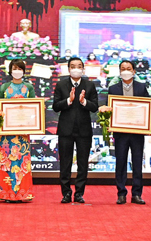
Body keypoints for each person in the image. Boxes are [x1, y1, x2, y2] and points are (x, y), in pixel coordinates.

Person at [53, 57, 99, 204]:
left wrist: (83, 102)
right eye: (73, 66)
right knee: (65, 163)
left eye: (79, 66)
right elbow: (55, 106)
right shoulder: (61, 84)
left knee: (83, 164)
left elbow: (95, 107)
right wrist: (69, 100)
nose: (76, 69)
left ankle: (79, 193)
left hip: (84, 130)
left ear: (83, 69)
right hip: (65, 130)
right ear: (68, 69)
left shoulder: (89, 85)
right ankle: (66, 193)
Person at [0, 59, 35, 202]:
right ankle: (5, 193)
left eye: (20, 69)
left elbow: (34, 108)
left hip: (22, 133)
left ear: (24, 71)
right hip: (6, 134)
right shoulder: (4, 87)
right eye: (14, 68)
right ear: (10, 71)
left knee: (21, 162)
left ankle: (22, 193)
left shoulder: (29, 87)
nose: (17, 71)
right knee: (6, 163)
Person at [108, 60, 150, 205]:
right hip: (120, 132)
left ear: (134, 71)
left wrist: (149, 125)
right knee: (120, 163)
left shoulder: (141, 87)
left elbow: (148, 106)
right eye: (123, 69)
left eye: (128, 68)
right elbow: (109, 109)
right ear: (120, 72)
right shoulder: (113, 89)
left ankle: (137, 194)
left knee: (137, 163)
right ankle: (121, 193)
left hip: (137, 131)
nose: (126, 71)